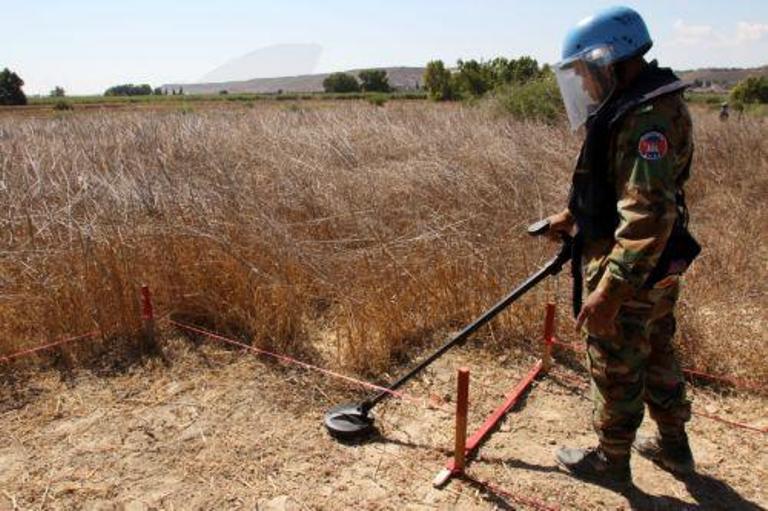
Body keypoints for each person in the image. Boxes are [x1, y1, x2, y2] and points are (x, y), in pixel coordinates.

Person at [545, 6, 700, 485]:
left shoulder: (644, 119)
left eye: (586, 74)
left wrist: (609, 292)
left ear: (608, 61)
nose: (585, 86)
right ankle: (675, 449)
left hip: (632, 269)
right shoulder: (639, 104)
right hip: (658, 265)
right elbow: (622, 187)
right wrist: (573, 215)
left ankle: (612, 461)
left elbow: (647, 214)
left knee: (616, 365)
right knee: (657, 350)